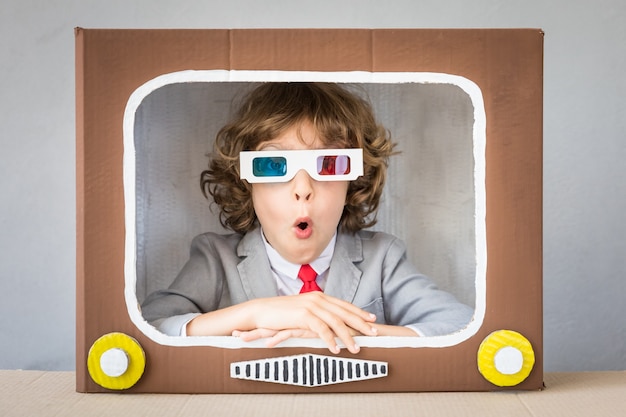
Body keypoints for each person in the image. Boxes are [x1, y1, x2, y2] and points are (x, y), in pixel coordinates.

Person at [141, 82, 473, 354]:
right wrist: (254, 313)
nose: (303, 189)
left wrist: (341, 332)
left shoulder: (382, 258)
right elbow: (148, 327)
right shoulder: (216, 257)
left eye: (328, 165)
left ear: (352, 182)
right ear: (246, 182)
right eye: (274, 166)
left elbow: (461, 326)